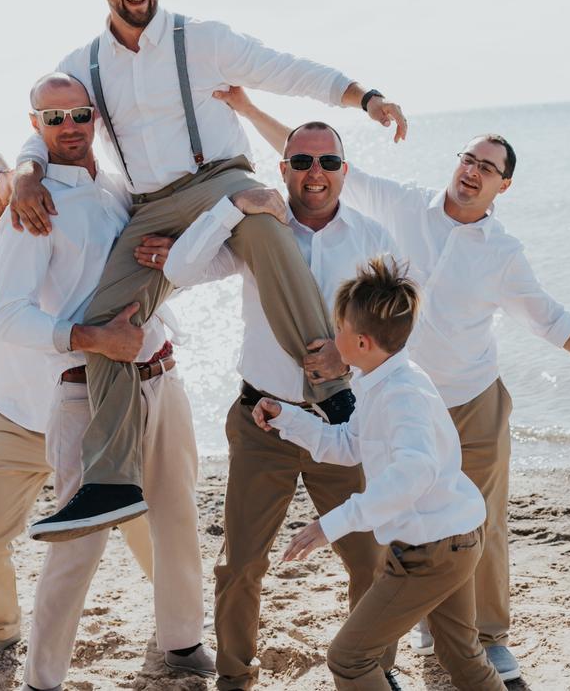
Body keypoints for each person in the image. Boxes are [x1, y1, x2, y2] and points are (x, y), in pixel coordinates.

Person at [7, 0, 410, 540]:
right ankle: (111, 477)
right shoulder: (81, 63)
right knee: (108, 316)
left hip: (223, 179)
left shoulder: (204, 40)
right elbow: (45, 118)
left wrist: (366, 97)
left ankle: (335, 394)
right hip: (150, 205)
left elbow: (288, 69)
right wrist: (27, 170)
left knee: (269, 230)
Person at [220, 87, 570, 681]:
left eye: (488, 168)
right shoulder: (402, 206)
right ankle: (418, 623)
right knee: (404, 519)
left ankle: (487, 636)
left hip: (471, 400)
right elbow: (318, 166)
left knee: (478, 521)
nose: (473, 172)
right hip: (397, 396)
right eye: (469, 159)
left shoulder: (504, 253)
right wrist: (247, 108)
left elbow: (548, 317)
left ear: (502, 187)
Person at [0, 73, 213, 688]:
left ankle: (183, 641)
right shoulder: (32, 206)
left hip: (162, 376)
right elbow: (7, 314)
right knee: (78, 539)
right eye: (53, 118)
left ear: (96, 116)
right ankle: (43, 678)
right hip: (83, 390)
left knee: (177, 519)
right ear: (34, 123)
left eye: (79, 115)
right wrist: (92, 339)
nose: (69, 128)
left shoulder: (119, 187)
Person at [163, 122, 400, 690]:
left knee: (370, 562)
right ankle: (234, 677)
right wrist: (232, 207)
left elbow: (401, 331)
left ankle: (372, 674)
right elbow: (179, 269)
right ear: (283, 169)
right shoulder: (257, 232)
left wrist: (346, 362)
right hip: (262, 422)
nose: (314, 173)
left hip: (342, 424)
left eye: (328, 161)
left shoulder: (371, 238)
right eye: (300, 161)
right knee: (241, 563)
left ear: (345, 169)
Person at [0, 146, 155, 675]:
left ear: (11, 175)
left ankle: (177, 628)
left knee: (144, 527)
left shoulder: (53, 222)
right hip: (16, 421)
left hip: (84, 413)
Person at [254, 259, 503, 691]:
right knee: (460, 655)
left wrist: (333, 523)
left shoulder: (402, 392)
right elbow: (350, 445)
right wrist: (286, 419)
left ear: (363, 342)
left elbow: (415, 470)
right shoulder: (381, 380)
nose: (334, 338)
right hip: (451, 537)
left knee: (349, 659)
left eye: (339, 330)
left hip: (434, 550)